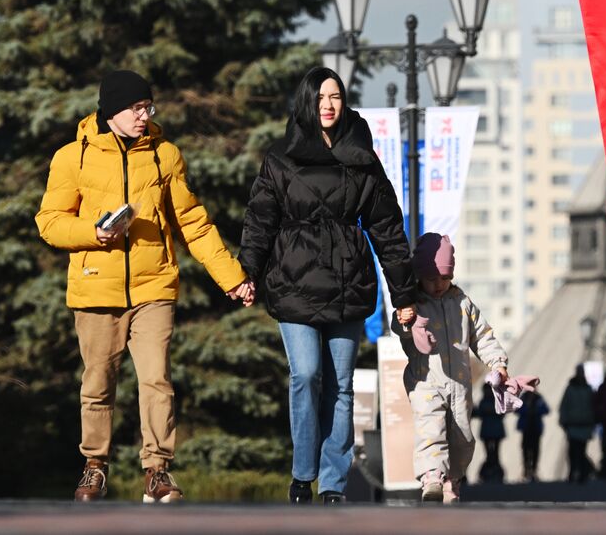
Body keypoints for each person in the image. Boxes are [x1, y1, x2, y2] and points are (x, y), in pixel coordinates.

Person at [36, 69, 254, 503]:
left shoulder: (164, 155)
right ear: (112, 110)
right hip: (96, 287)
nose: (144, 115)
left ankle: (157, 470)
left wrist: (233, 278)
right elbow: (49, 221)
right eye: (137, 108)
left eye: (147, 107)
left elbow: (193, 221)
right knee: (98, 382)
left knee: (157, 379)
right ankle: (95, 465)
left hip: (154, 286)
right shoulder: (72, 158)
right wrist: (93, 233)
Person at [239, 67, 418, 505]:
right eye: (320, 96)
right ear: (306, 101)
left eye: (335, 95)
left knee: (340, 385)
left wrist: (404, 296)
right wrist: (247, 274)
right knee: (305, 374)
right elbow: (260, 220)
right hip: (292, 281)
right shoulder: (281, 157)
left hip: (347, 282)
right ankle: (303, 475)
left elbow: (388, 229)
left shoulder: (362, 154)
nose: (328, 104)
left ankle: (334, 484)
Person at [392, 232, 511, 502]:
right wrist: (405, 320)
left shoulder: (463, 304)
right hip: (425, 381)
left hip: (459, 383)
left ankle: (452, 479)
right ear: (420, 276)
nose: (439, 284)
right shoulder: (414, 304)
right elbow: (400, 328)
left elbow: (482, 337)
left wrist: (498, 364)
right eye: (432, 278)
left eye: (445, 278)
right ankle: (432, 476)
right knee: (430, 427)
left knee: (462, 437)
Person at [559, 367, 597, 483]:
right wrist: (564, 421)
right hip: (573, 425)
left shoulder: (588, 389)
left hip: (584, 425)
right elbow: (564, 406)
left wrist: (592, 422)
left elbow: (593, 407)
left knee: (581, 451)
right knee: (572, 451)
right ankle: (573, 472)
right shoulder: (570, 389)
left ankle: (581, 473)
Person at [473, 383, 507, 483]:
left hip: (495, 431)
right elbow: (478, 413)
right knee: (488, 453)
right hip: (487, 431)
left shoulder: (496, 400)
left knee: (495, 453)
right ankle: (490, 473)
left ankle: (495, 473)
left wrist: (489, 411)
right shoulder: (484, 401)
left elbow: (503, 413)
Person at [516, 390, 551, 481]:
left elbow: (546, 410)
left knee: (535, 450)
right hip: (526, 428)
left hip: (536, 428)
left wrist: (535, 411)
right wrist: (526, 410)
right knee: (525, 449)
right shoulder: (523, 398)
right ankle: (526, 469)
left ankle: (534, 470)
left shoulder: (539, 399)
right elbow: (516, 409)